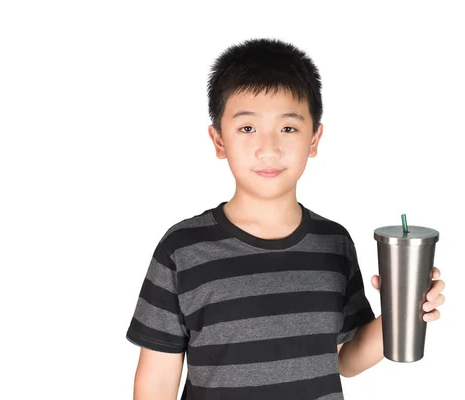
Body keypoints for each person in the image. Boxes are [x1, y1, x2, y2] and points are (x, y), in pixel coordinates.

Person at [124, 37, 446, 400]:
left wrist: (402, 310)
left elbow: (347, 360)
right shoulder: (182, 249)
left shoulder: (333, 243)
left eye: (288, 128)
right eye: (247, 128)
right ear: (219, 140)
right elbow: (155, 384)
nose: (269, 148)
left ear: (314, 139)